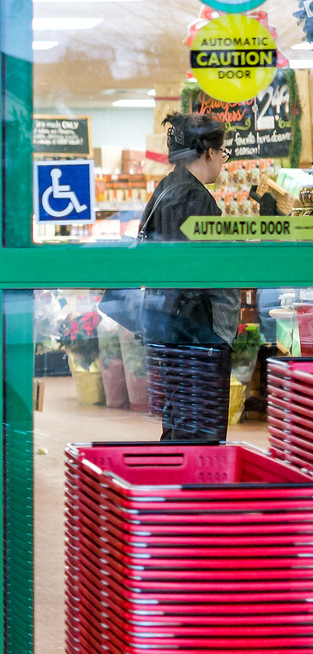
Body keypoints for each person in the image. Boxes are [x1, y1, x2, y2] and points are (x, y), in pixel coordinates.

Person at [136, 112, 240, 441]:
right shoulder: (194, 198)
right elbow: (193, 274)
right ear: (208, 152)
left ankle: (176, 488)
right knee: (198, 432)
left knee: (179, 422)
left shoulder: (168, 187)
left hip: (169, 328)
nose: (222, 161)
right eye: (222, 152)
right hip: (195, 335)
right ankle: (192, 492)